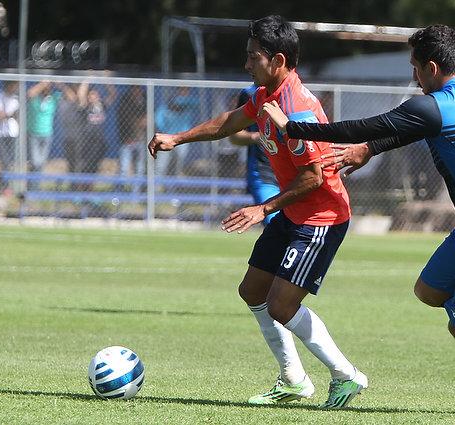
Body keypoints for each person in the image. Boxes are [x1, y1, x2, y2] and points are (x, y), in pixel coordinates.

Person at [260, 24, 455, 418]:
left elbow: (363, 126)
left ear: (432, 68)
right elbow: (405, 130)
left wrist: (292, 127)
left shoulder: (430, 107)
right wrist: (370, 150)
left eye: (415, 68)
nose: (414, 76)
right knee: (430, 291)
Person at [147, 15, 367, 409]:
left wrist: (262, 208)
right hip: (294, 212)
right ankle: (293, 379)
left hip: (320, 217)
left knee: (282, 305)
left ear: (278, 60)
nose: (246, 63)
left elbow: (314, 177)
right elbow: (230, 122)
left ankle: (345, 375)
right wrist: (178, 138)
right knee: (252, 290)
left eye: (254, 57)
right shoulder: (267, 94)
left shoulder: (297, 110)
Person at [228, 85, 280, 224]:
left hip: (294, 174)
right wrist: (256, 137)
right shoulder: (250, 93)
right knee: (274, 222)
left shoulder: (296, 92)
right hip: (264, 172)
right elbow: (234, 136)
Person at [153, 86, 197, 176]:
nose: (183, 92)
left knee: (179, 163)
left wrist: (180, 103)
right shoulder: (167, 105)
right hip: (168, 137)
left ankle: (174, 183)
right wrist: (173, 105)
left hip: (183, 137)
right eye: (181, 90)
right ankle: (158, 183)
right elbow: (158, 118)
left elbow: (195, 103)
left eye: (186, 90)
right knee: (161, 164)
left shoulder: (190, 103)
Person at [26, 80, 61, 178]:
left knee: (41, 162)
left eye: (48, 87)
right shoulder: (35, 99)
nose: (46, 89)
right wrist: (43, 83)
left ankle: (34, 184)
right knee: (35, 161)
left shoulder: (53, 99)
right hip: (33, 134)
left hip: (47, 134)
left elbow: (71, 97)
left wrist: (60, 84)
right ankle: (32, 183)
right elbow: (29, 93)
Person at [0, 80, 20, 194]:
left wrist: (7, 115)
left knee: (10, 161)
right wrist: (10, 115)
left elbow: (17, 115)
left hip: (13, 133)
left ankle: (7, 186)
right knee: (4, 160)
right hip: (0, 133)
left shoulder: (16, 98)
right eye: (13, 85)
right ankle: (4, 186)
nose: (15, 88)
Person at [117, 86, 146, 188]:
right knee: (124, 166)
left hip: (141, 139)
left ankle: (136, 191)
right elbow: (126, 120)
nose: (137, 91)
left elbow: (147, 119)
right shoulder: (125, 101)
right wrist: (127, 137)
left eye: (139, 89)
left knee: (140, 167)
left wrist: (143, 121)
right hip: (127, 139)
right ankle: (121, 190)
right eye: (135, 89)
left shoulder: (145, 100)